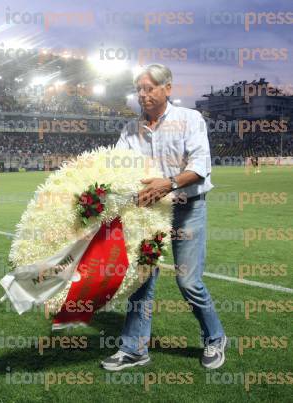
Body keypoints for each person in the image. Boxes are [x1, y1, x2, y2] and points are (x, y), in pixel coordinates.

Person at [101, 64, 226, 371]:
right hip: (149, 212)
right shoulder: (130, 130)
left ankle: (215, 338)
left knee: (188, 281)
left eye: (149, 88)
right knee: (142, 279)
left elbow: (200, 166)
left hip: (187, 208)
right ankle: (134, 349)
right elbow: (117, 168)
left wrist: (167, 183)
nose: (142, 95)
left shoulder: (189, 119)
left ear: (167, 88)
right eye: (139, 90)